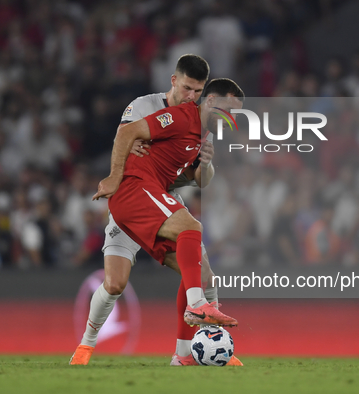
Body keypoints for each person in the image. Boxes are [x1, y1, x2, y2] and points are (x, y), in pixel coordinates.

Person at [70, 56, 243, 366]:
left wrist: (205, 162)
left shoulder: (203, 130)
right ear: (174, 81)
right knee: (114, 284)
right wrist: (114, 173)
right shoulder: (157, 109)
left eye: (197, 90)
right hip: (136, 192)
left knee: (202, 272)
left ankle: (186, 354)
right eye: (188, 88)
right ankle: (86, 346)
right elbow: (126, 135)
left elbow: (197, 179)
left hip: (163, 198)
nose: (191, 96)